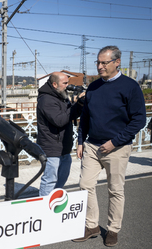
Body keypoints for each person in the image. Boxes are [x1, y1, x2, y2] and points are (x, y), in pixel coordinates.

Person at [73, 46, 146, 247]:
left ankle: (113, 229)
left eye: (104, 62)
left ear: (117, 62)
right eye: (98, 62)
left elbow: (139, 120)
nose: (100, 66)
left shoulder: (130, 87)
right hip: (92, 146)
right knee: (85, 185)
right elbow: (85, 117)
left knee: (115, 190)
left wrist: (115, 142)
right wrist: (80, 141)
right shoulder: (94, 88)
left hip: (117, 148)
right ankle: (92, 226)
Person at [36, 72, 84, 196]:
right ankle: (44, 208)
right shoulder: (46, 99)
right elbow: (59, 120)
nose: (68, 86)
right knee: (50, 180)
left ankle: (54, 201)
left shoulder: (60, 96)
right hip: (51, 147)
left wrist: (80, 104)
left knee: (62, 178)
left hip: (63, 146)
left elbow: (70, 114)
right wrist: (77, 104)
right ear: (54, 84)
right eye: (65, 83)